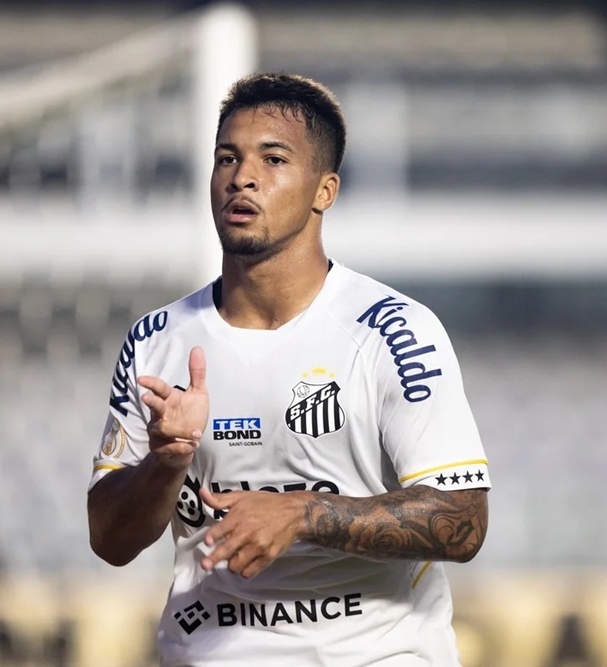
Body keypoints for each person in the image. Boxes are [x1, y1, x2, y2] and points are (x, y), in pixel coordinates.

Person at [87, 72, 490, 666]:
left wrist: (304, 514)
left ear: (324, 190)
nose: (241, 177)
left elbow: (464, 520)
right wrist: (166, 463)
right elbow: (111, 541)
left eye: (273, 159)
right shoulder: (157, 341)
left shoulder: (393, 333)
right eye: (227, 158)